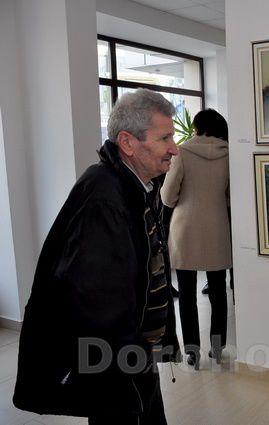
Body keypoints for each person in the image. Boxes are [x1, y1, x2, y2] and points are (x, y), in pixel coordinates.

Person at [13, 89, 182, 424]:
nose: (174, 148)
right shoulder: (105, 198)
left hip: (132, 356)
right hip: (118, 365)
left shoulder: (136, 186)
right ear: (128, 142)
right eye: (164, 138)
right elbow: (99, 302)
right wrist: (132, 360)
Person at [161, 108, 232, 368]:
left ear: (197, 128)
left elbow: (168, 196)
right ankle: (218, 347)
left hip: (186, 229)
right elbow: (231, 195)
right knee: (218, 291)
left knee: (187, 294)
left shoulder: (182, 152)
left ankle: (192, 351)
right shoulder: (230, 153)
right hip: (217, 227)